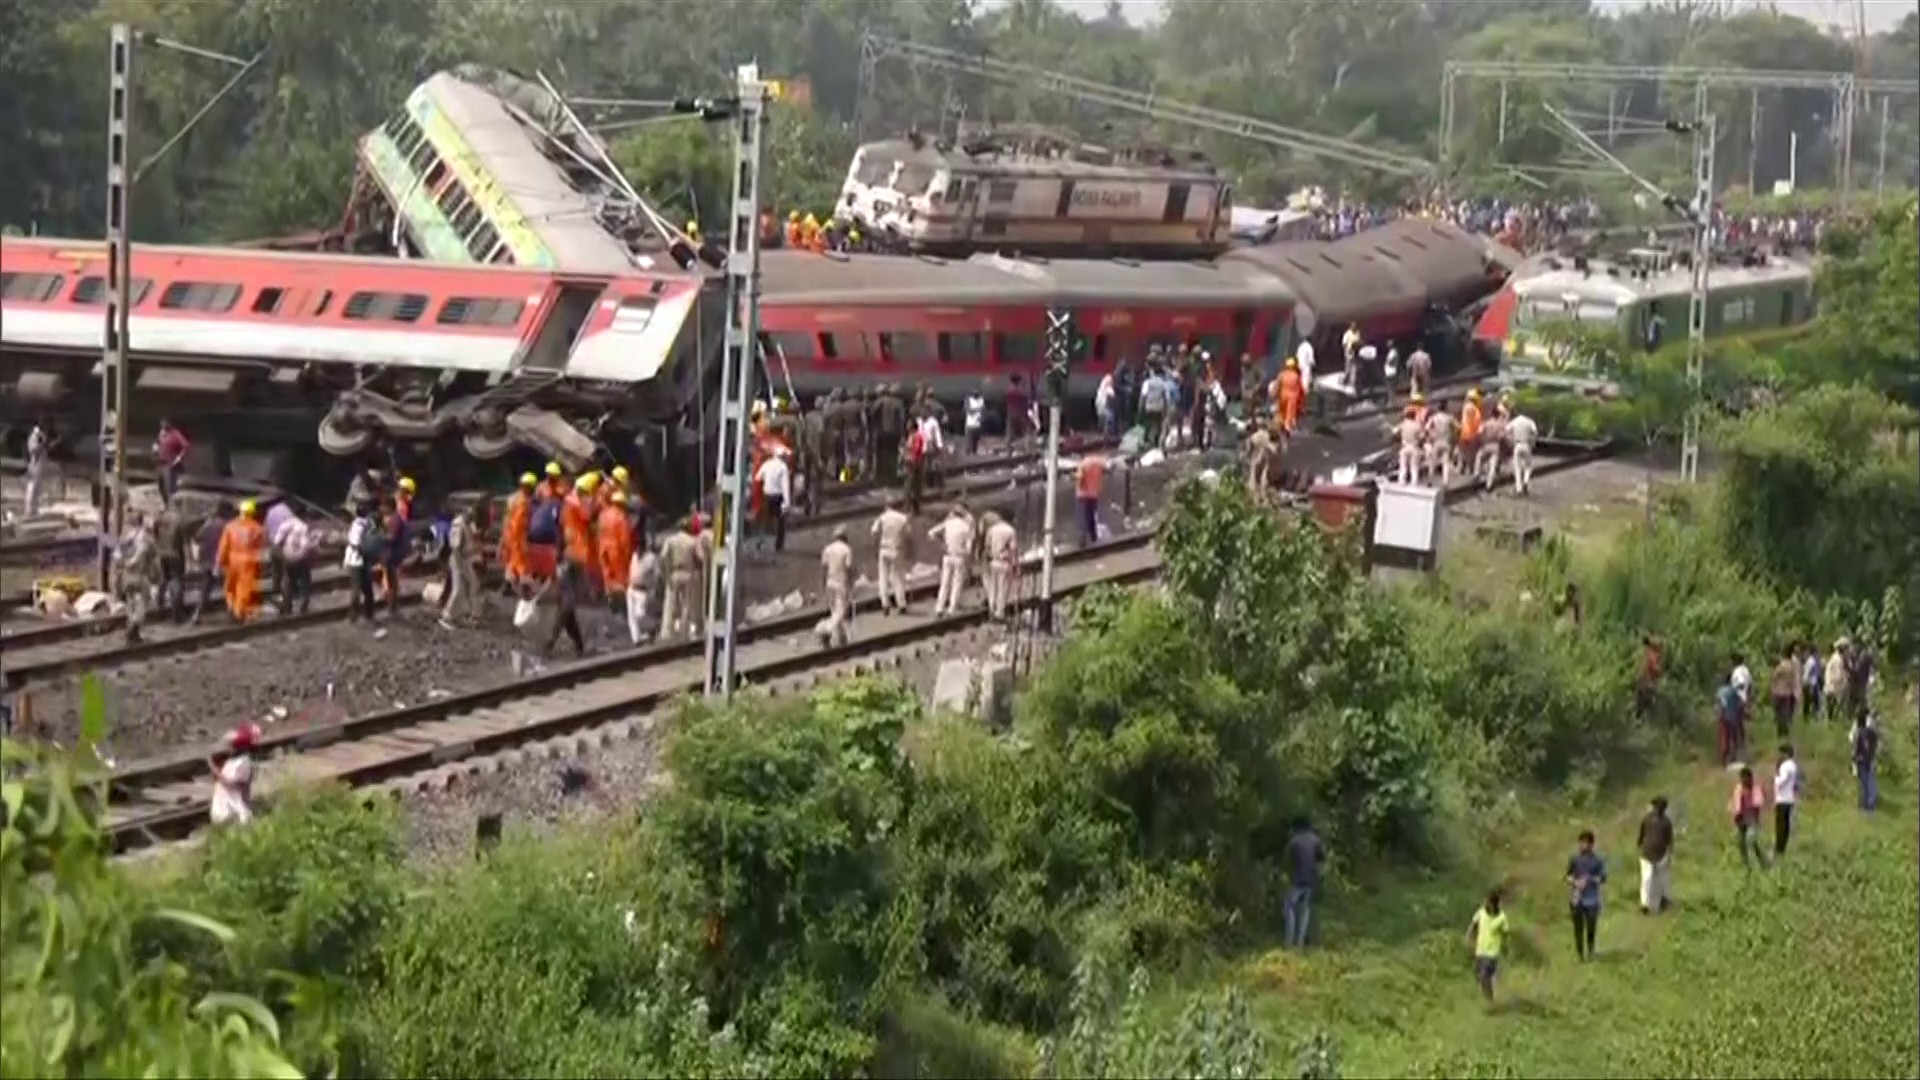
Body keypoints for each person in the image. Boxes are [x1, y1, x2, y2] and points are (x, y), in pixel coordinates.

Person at [215, 500, 266, 622]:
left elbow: (223, 546)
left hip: (232, 560)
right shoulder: (258, 528)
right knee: (245, 587)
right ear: (252, 512)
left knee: (231, 586)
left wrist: (219, 563)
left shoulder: (229, 526)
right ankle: (239, 611)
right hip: (249, 561)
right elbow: (261, 547)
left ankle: (231, 606)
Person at [115, 511, 158, 644]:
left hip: (126, 576)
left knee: (130, 602)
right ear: (141, 521)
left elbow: (116, 557)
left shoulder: (124, 539)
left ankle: (134, 633)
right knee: (142, 604)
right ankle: (134, 626)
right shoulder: (145, 538)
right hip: (141, 576)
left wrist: (123, 565)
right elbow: (153, 555)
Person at [1282, 816, 1326, 949]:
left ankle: (1289, 941)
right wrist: (1319, 877)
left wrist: (1287, 877)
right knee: (1305, 910)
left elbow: (1286, 862)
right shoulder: (1316, 840)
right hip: (1311, 881)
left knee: (1289, 907)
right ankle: (1300, 943)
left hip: (1297, 880)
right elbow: (1322, 862)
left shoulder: (1293, 841)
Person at [1565, 829, 1608, 961]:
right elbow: (1567, 876)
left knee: (1591, 926)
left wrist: (1590, 879)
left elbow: (1603, 878)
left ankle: (1590, 950)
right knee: (1578, 927)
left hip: (1592, 899)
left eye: (1586, 843)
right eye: (1581, 843)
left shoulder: (1597, 860)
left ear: (1591, 844)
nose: (1583, 846)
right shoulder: (1574, 859)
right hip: (1577, 898)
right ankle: (1580, 953)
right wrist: (1575, 882)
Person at [209, 723, 261, 827]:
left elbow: (232, 784)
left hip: (234, 812)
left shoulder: (243, 762)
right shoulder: (234, 760)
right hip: (225, 810)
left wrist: (215, 771)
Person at [440, 505, 482, 628]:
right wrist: (460, 567)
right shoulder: (458, 525)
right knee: (458, 589)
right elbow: (455, 547)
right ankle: (447, 616)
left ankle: (463, 614)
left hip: (466, 559)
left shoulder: (468, 524)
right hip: (459, 559)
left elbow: (473, 537)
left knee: (473, 585)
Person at [929, 503, 975, 616]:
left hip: (947, 555)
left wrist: (942, 544)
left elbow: (931, 533)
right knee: (957, 583)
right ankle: (951, 608)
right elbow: (969, 549)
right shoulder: (966, 527)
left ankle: (939, 607)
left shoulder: (948, 523)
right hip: (959, 557)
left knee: (944, 582)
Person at [1466, 888, 1510, 1004]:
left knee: (1484, 976)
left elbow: (1505, 934)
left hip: (1492, 953)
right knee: (1479, 976)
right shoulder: (1481, 913)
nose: (1486, 904)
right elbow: (1473, 925)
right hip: (1480, 951)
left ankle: (1489, 1001)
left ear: (1494, 904)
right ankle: (1489, 996)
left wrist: (1505, 948)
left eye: (1489, 903)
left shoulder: (1501, 918)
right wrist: (1469, 937)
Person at [871, 498, 911, 615]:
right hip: (897, 549)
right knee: (898, 577)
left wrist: (875, 546)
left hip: (883, 549)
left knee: (883, 577)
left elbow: (874, 532)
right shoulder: (903, 518)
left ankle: (885, 604)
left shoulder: (882, 517)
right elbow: (908, 535)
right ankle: (901, 604)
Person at [271, 507, 314, 616]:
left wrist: (282, 557)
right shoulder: (303, 526)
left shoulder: (285, 524)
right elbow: (305, 545)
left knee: (288, 581)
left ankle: (287, 605)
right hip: (301, 557)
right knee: (304, 580)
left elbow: (277, 542)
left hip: (288, 556)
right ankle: (304, 601)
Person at [344, 502, 382, 621]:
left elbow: (355, 544)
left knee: (356, 589)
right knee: (367, 589)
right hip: (365, 559)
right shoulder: (370, 524)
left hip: (356, 560)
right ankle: (369, 613)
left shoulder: (357, 526)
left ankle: (353, 615)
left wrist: (364, 552)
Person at [1636, 796, 1674, 914]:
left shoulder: (1665, 821)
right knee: (1649, 879)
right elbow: (1642, 834)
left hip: (1657, 853)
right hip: (1649, 853)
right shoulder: (1649, 819)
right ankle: (1645, 904)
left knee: (1657, 879)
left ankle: (1660, 900)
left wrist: (1668, 853)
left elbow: (1669, 839)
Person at [819, 524, 854, 647]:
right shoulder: (847, 549)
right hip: (841, 583)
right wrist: (851, 583)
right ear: (845, 537)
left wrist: (823, 582)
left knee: (834, 610)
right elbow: (849, 568)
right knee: (841, 611)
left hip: (830, 582)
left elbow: (824, 567)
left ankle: (841, 637)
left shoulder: (827, 549)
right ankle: (825, 630)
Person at [500, 472, 536, 588]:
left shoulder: (513, 498)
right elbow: (519, 522)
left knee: (513, 559)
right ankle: (524, 584)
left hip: (509, 533)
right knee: (521, 560)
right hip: (517, 535)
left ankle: (508, 583)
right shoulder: (523, 502)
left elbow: (507, 518)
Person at [1730, 765, 1770, 870]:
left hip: (1752, 820)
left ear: (1750, 778)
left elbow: (1759, 803)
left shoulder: (1755, 788)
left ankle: (1764, 862)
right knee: (1741, 843)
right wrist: (1735, 814)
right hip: (1741, 820)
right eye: (1741, 778)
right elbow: (1734, 803)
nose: (1743, 780)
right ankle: (1747, 865)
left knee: (1750, 839)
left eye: (1745, 778)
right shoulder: (1738, 788)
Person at [754, 444, 792, 552]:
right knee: (781, 522)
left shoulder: (767, 464)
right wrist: (787, 503)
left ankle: (760, 542)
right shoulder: (783, 468)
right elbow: (785, 487)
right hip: (778, 497)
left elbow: (758, 477)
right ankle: (778, 546)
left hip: (767, 496)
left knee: (764, 520)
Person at [981, 511, 1018, 621]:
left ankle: (991, 610)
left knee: (993, 588)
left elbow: (986, 547)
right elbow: (1013, 548)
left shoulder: (991, 530)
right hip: (1004, 562)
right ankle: (1000, 613)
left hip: (993, 562)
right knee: (1003, 589)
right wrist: (1015, 564)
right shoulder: (1010, 531)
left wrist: (986, 562)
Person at [626, 538, 661, 646]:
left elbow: (657, 574)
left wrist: (654, 588)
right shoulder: (634, 556)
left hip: (642, 590)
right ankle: (636, 639)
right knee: (631, 616)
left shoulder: (651, 558)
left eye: (639, 547)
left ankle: (654, 626)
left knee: (640, 614)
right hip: (631, 588)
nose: (638, 549)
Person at [1771, 743, 1799, 858]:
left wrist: (1776, 778)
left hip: (1782, 799)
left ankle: (1779, 848)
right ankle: (1781, 847)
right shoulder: (1793, 765)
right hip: (1789, 798)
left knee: (1780, 826)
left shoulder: (1785, 766)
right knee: (1785, 825)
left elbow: (1781, 781)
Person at [154, 419, 190, 503]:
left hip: (170, 463)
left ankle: (172, 506)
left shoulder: (175, 434)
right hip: (160, 462)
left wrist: (179, 457)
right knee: (160, 484)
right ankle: (165, 504)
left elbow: (186, 446)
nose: (163, 427)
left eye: (165, 425)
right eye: (162, 425)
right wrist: (156, 447)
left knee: (169, 487)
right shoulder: (161, 433)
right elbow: (158, 442)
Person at [1850, 711, 1880, 812]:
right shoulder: (1870, 733)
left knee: (1866, 782)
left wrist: (1855, 758)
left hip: (1864, 760)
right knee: (1867, 782)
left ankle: (1867, 804)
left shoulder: (1864, 733)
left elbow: (1858, 748)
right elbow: (1874, 746)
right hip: (1866, 760)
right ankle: (1867, 804)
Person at [1715, 672, 1747, 767]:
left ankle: (1724, 760)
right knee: (1733, 738)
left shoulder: (1720, 691)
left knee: (1724, 739)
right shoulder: (1733, 691)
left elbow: (1720, 704)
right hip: (1733, 718)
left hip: (1723, 717)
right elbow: (1740, 704)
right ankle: (1733, 757)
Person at [1074, 451, 1105, 547]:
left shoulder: (1083, 463)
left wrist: (1079, 486)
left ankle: (1082, 540)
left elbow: (1080, 477)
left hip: (1083, 494)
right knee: (1091, 517)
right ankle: (1093, 538)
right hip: (1094, 494)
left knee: (1082, 517)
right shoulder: (1099, 463)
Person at [1767, 646, 1798, 739]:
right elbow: (1794, 681)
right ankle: (1785, 735)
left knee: (1779, 716)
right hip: (1788, 693)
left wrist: (1771, 690)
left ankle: (1781, 735)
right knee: (1785, 715)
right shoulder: (1792, 666)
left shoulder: (1781, 666)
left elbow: (1774, 678)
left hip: (1778, 692)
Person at [1506, 409, 1539, 495]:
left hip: (1517, 444)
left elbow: (1507, 430)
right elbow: (1535, 432)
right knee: (1528, 466)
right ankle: (1526, 481)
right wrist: (1533, 442)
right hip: (1526, 445)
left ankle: (1518, 488)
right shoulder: (1530, 422)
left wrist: (1511, 439)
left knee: (1517, 467)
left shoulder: (1515, 421)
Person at [22, 422, 50, 517]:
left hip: (38, 464)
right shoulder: (35, 436)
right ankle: (29, 510)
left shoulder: (39, 435)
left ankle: (34, 510)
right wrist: (42, 445)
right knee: (32, 488)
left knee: (37, 489)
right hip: (34, 465)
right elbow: (34, 449)